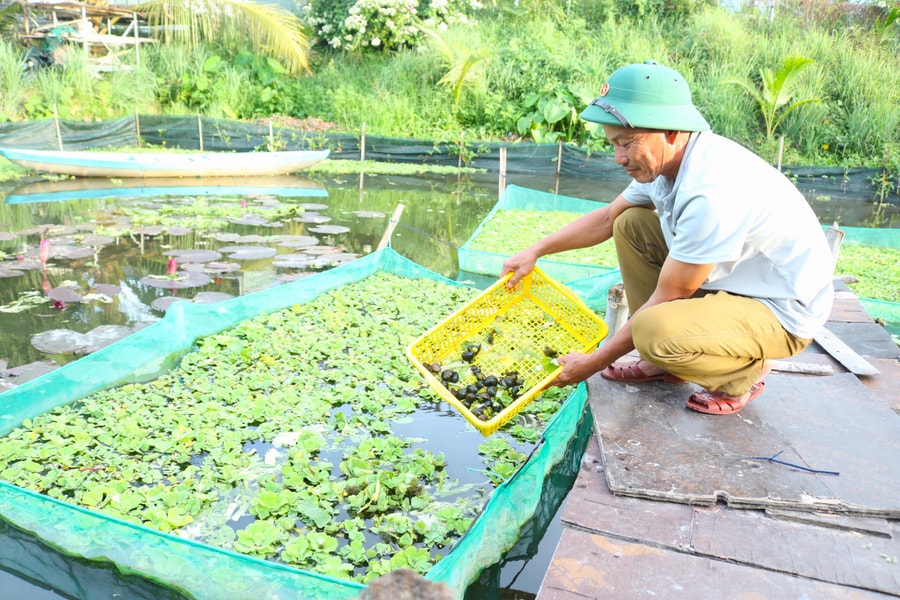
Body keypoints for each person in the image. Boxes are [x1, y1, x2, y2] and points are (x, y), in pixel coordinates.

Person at [500, 60, 834, 415]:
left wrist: (593, 361)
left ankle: (743, 376)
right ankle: (664, 364)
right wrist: (535, 251)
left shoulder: (711, 189)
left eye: (627, 143)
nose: (618, 157)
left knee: (651, 330)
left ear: (672, 131)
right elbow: (607, 218)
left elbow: (672, 293)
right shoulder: (667, 163)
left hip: (780, 310)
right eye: (613, 144)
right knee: (630, 223)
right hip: (739, 286)